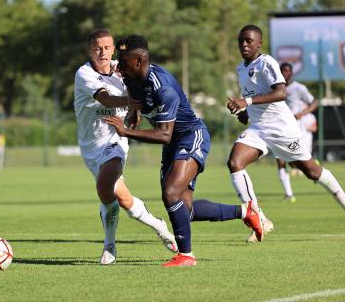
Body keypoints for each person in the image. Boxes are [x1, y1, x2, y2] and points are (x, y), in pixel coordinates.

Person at [105, 34, 263, 267]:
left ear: (139, 61)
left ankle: (186, 256)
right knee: (184, 210)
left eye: (123, 59)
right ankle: (245, 211)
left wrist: (125, 132)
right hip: (173, 143)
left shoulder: (163, 87)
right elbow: (140, 102)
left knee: (170, 193)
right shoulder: (130, 78)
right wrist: (134, 112)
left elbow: (164, 134)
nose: (118, 63)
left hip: (191, 136)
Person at [227, 24, 345, 243]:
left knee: (312, 172)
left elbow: (281, 92)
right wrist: (242, 111)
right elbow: (250, 96)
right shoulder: (240, 69)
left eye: (249, 40)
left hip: (282, 130)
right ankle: (259, 219)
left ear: (259, 43)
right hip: (258, 129)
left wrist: (247, 101)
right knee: (235, 162)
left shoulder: (267, 62)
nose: (244, 44)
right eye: (241, 40)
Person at [73, 29, 178, 265]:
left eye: (107, 47)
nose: (103, 52)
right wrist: (129, 103)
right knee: (124, 200)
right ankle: (158, 225)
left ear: (112, 49)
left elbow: (137, 87)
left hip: (115, 141)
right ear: (90, 50)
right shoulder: (84, 73)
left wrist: (134, 109)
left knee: (104, 186)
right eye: (97, 47)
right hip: (90, 145)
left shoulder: (122, 68)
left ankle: (109, 246)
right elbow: (104, 98)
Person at [276, 62, 318, 202]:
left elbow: (314, 103)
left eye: (288, 71)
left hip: (295, 129)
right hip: (280, 128)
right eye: (283, 71)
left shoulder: (299, 88)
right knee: (279, 159)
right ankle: (288, 194)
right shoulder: (275, 88)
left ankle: (315, 171)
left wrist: (302, 113)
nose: (285, 73)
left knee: (296, 163)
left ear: (291, 73)